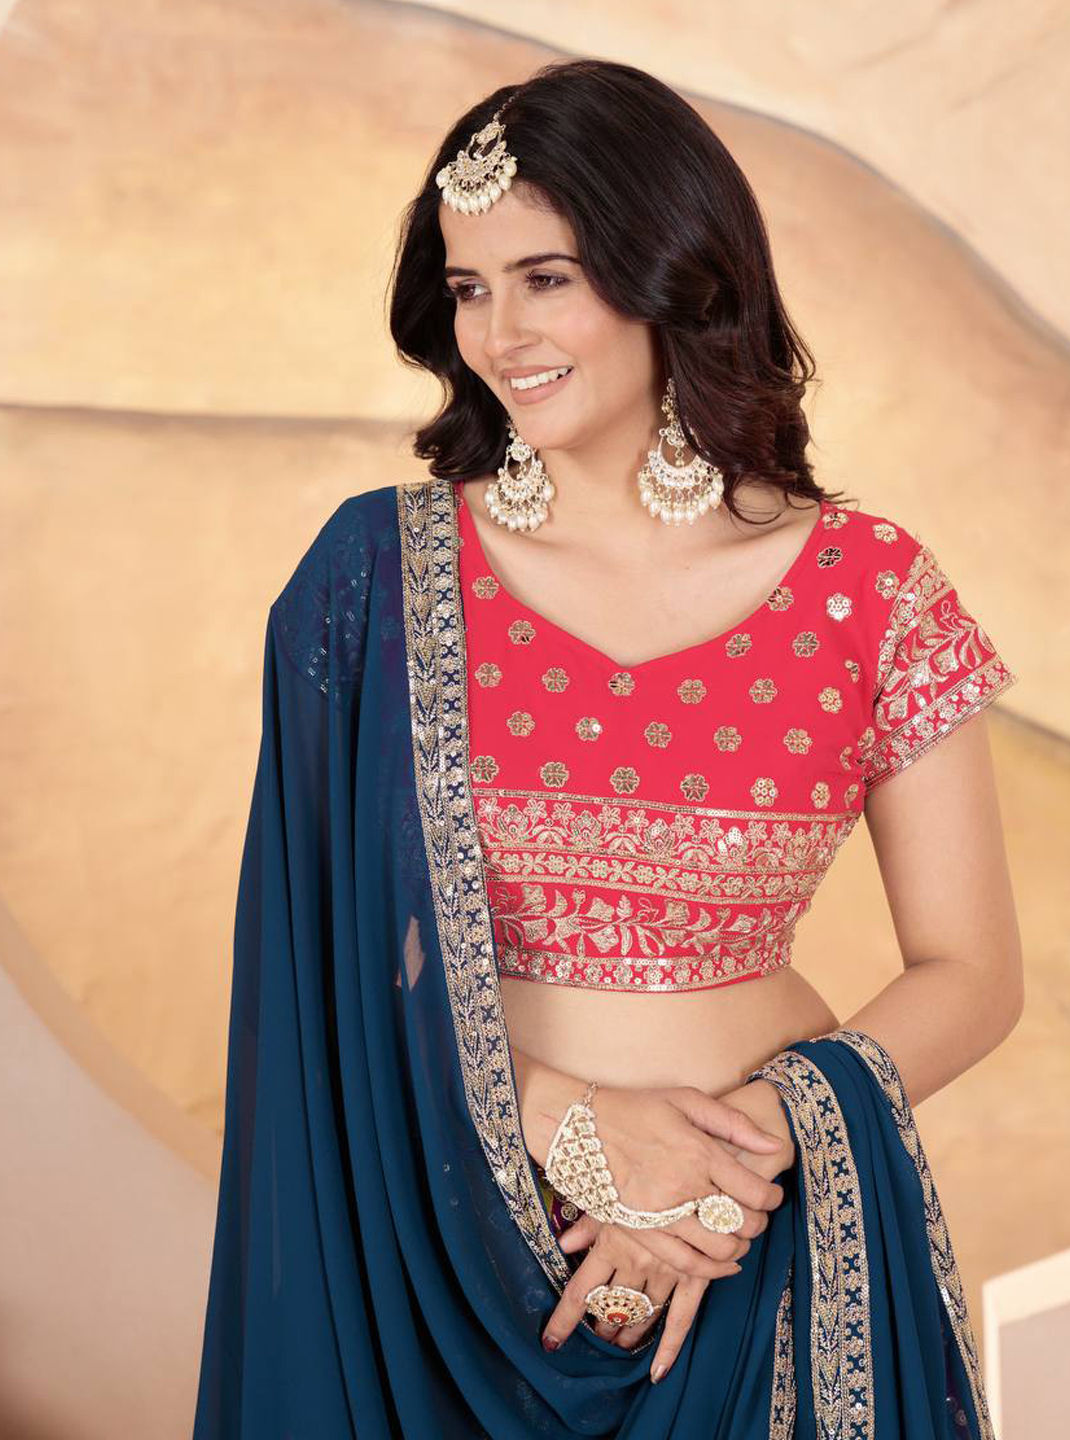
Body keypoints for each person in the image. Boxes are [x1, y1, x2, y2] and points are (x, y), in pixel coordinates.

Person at [192, 58, 1023, 1438]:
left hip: (760, 1251)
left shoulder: (868, 589)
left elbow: (973, 974)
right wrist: (577, 1131)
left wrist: (726, 1169)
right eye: (469, 288)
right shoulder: (375, 580)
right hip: (442, 1259)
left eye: (547, 277)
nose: (501, 333)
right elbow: (318, 973)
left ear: (671, 273)